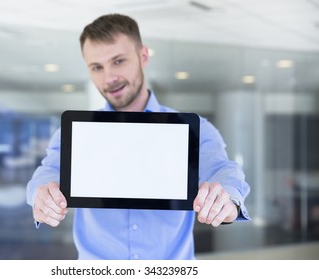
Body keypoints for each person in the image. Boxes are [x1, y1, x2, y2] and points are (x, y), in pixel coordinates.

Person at [26, 13, 250, 260]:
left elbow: (223, 170)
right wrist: (43, 194)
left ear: (143, 56)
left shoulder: (190, 130)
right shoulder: (78, 133)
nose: (109, 77)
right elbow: (48, 172)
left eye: (118, 61)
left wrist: (226, 199)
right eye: (97, 67)